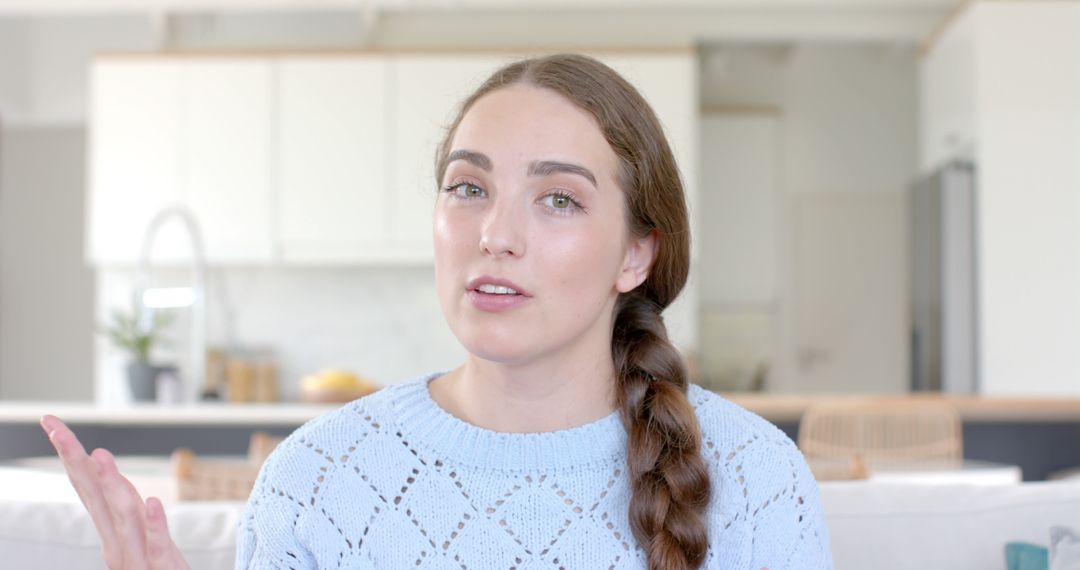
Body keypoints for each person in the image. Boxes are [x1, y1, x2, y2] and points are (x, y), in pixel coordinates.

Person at [40, 53, 833, 569]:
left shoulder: (760, 482)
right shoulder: (312, 482)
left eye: (558, 199)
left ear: (637, 254)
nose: (495, 234)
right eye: (468, 187)